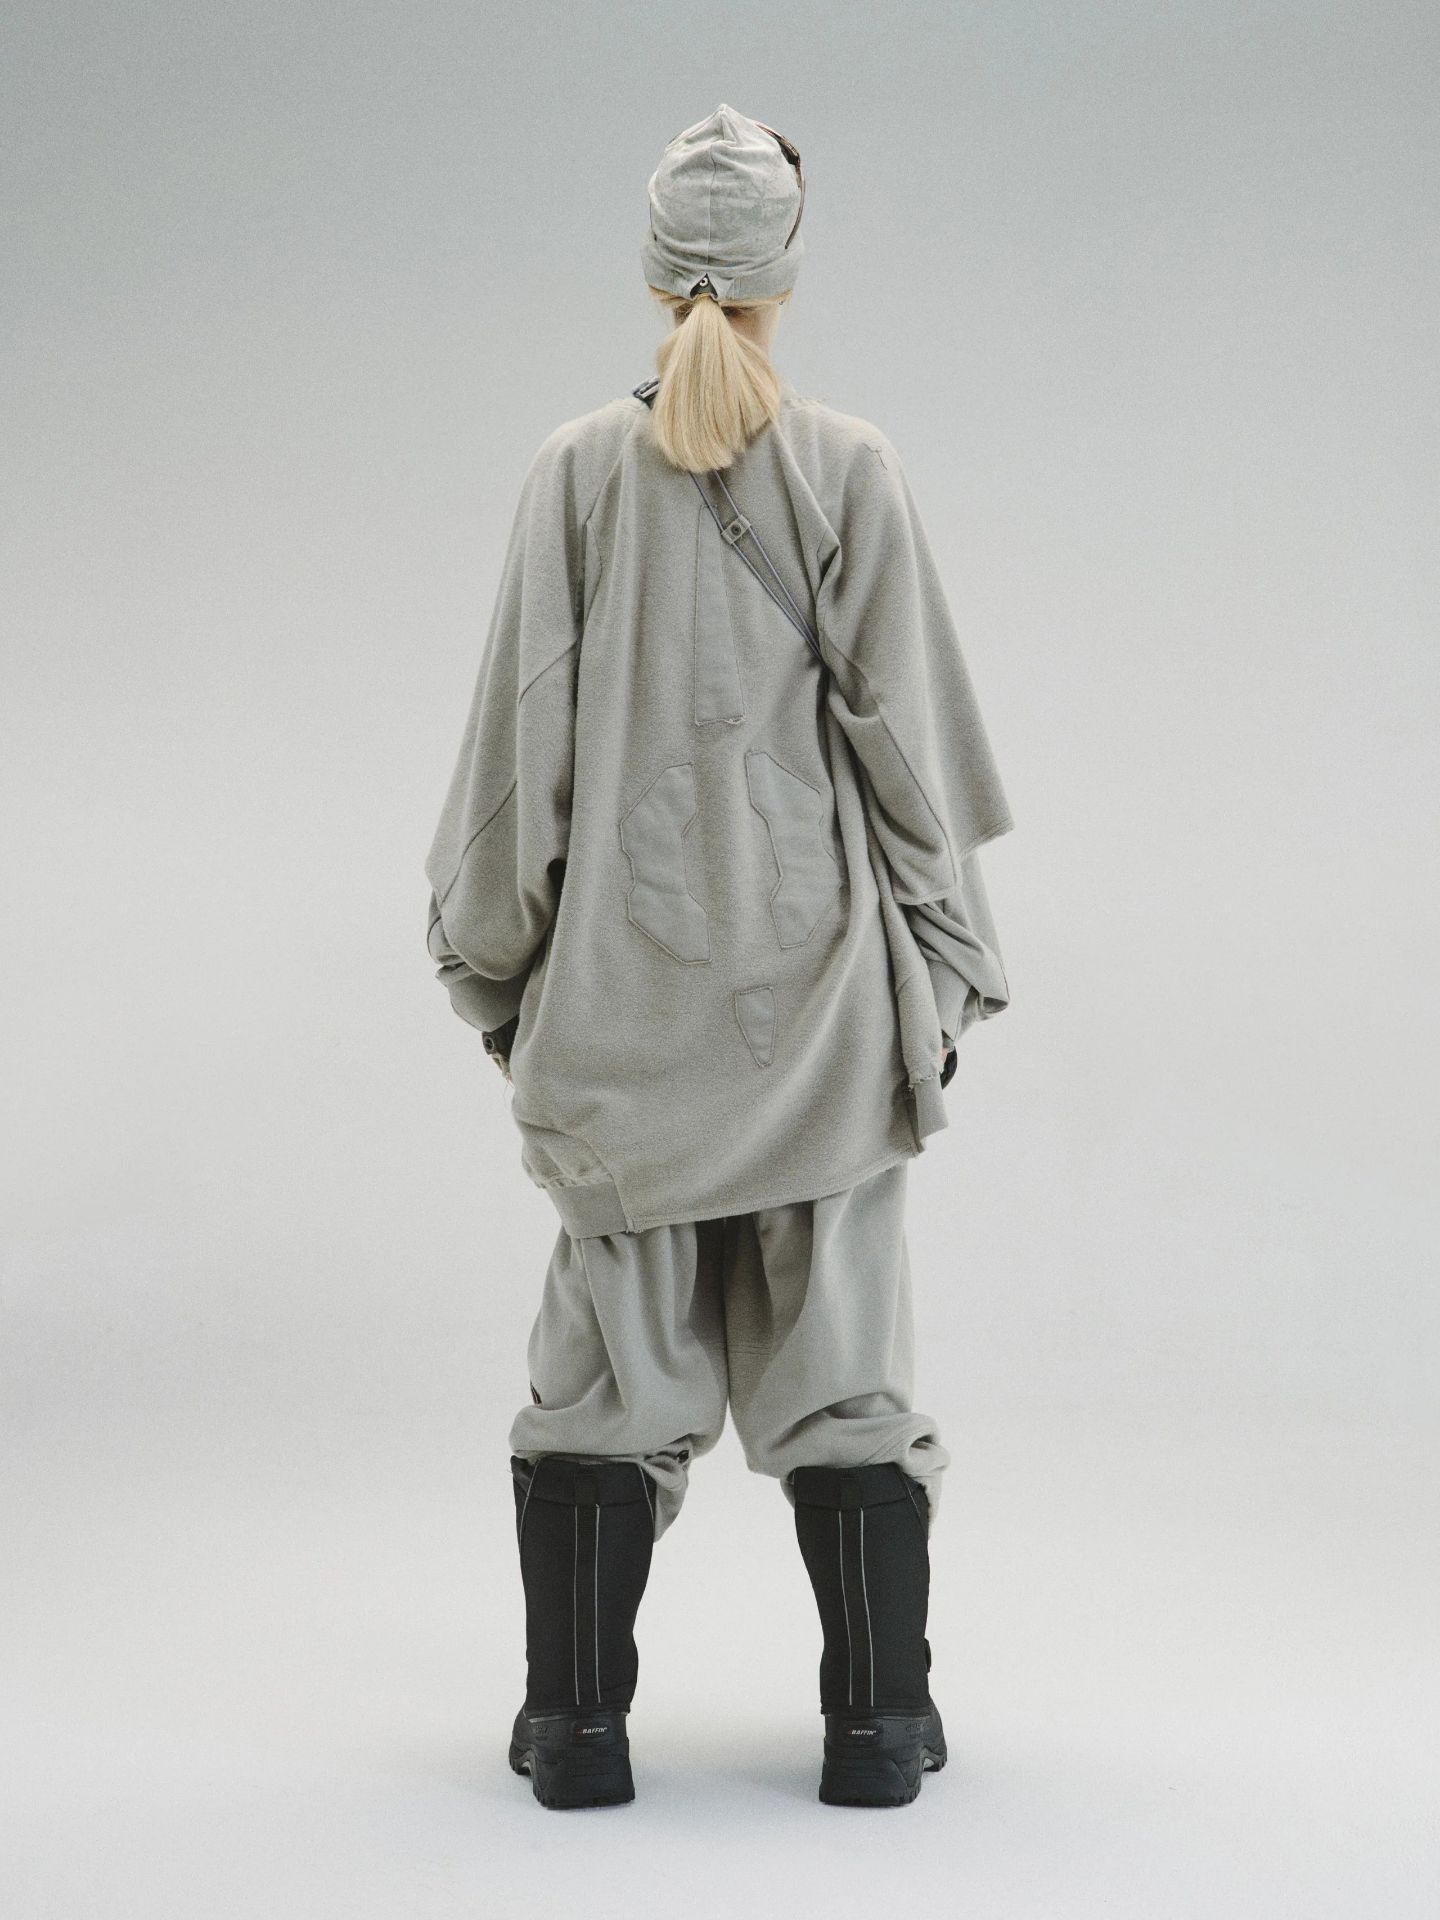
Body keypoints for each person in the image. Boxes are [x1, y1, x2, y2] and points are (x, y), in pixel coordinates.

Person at [423, 103, 1015, 1811]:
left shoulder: (574, 474)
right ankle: (878, 1730)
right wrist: (947, 976)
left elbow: (513, 767)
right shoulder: (850, 466)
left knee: (604, 1385)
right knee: (847, 1382)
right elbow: (914, 760)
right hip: (819, 1021)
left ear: (654, 268)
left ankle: (576, 1731)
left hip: (622, 1016)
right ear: (784, 273)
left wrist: (497, 976)